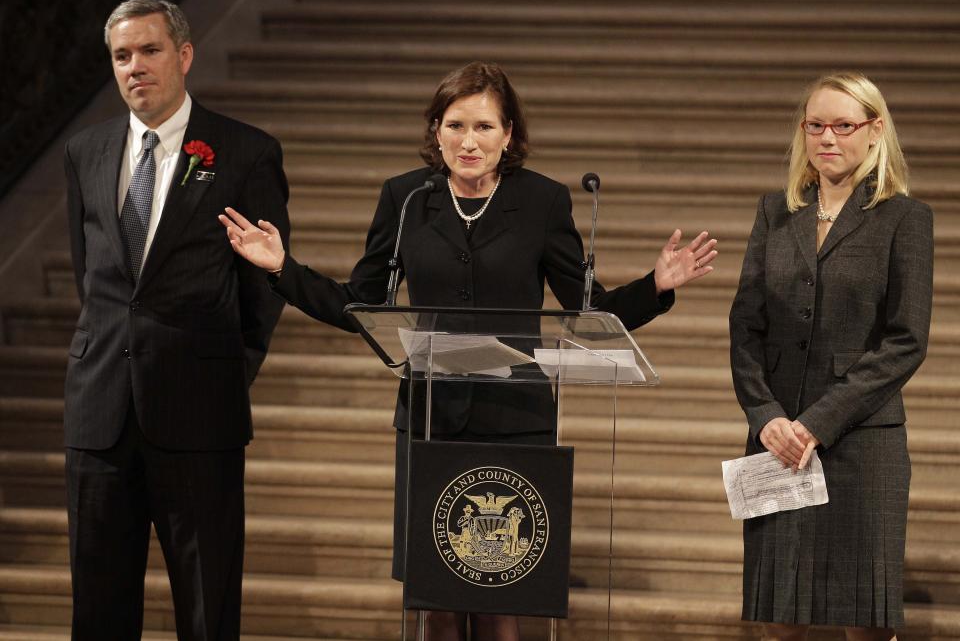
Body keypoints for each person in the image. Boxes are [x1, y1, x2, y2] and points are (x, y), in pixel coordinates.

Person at [219, 60, 717, 641]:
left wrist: (655, 285)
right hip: (431, 416)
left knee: (499, 588)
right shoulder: (406, 198)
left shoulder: (542, 202)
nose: (468, 141)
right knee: (437, 591)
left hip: (515, 419)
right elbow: (361, 305)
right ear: (436, 131)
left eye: (484, 127)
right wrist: (282, 268)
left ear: (509, 136)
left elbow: (585, 313)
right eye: (455, 125)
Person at [64, 0, 290, 639]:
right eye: (121, 56)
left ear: (185, 56)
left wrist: (221, 373)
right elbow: (94, 278)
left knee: (206, 605)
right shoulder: (86, 152)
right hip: (99, 412)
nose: (136, 67)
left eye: (150, 50)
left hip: (198, 414)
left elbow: (262, 291)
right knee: (98, 610)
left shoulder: (245, 153)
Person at [729, 72, 933, 641]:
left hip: (861, 444)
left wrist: (815, 424)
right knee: (777, 618)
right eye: (816, 125)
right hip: (776, 440)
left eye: (843, 125)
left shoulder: (905, 219)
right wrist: (765, 415)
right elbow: (745, 326)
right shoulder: (775, 212)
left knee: (861, 622)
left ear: (874, 131)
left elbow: (906, 340)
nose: (828, 137)